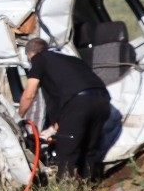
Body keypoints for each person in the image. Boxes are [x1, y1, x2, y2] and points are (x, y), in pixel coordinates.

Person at [19, 36, 111, 183]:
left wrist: (19, 116)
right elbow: (69, 105)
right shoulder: (71, 60)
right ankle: (92, 186)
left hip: (79, 104)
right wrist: (53, 128)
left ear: (31, 54)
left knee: (67, 152)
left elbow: (29, 94)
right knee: (89, 149)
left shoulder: (39, 59)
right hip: (102, 101)